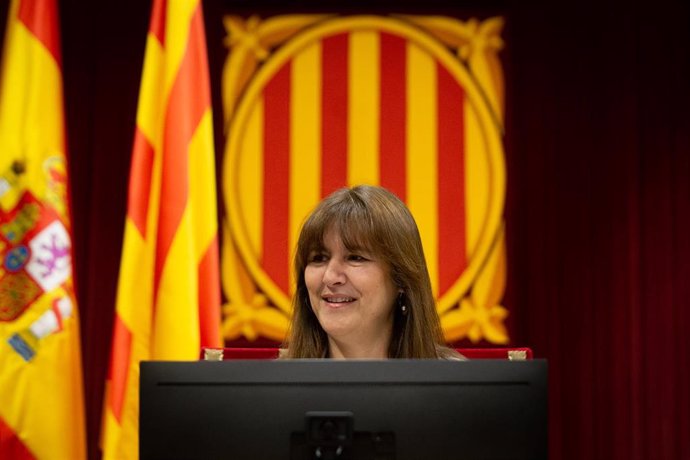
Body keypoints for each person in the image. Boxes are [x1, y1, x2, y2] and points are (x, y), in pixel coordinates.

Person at [282, 184, 463, 360]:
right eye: (319, 258)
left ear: (401, 278)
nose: (330, 277)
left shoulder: (457, 382)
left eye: (355, 258)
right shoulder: (275, 384)